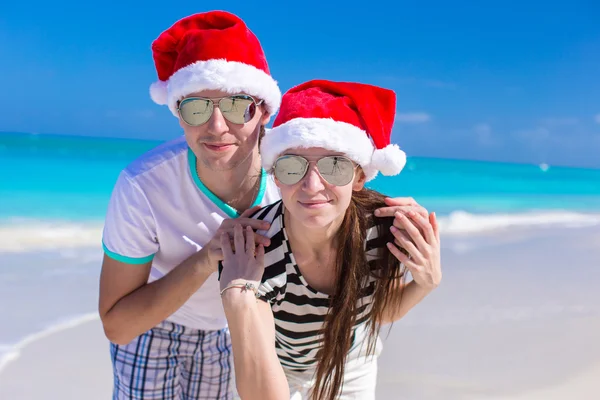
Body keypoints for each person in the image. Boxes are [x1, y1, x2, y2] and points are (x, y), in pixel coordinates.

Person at [219, 80, 442, 400]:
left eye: (334, 165)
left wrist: (427, 281)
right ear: (276, 175)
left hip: (351, 363)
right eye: (292, 165)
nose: (311, 185)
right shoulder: (257, 248)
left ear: (360, 176)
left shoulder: (380, 232)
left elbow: (382, 311)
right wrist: (238, 297)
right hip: (280, 369)